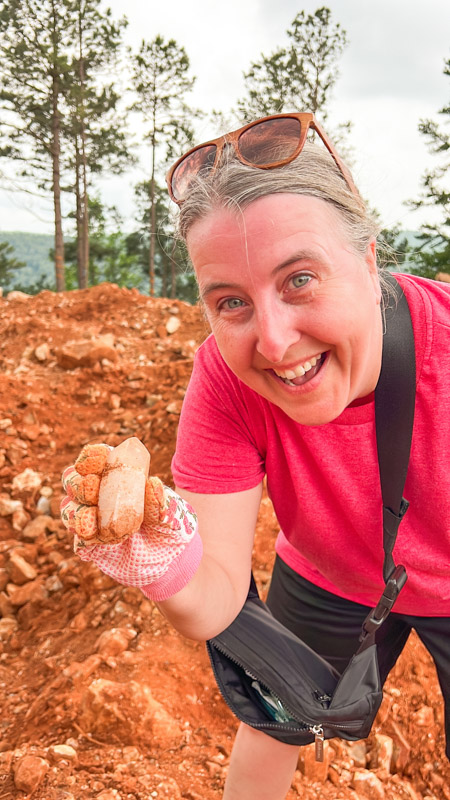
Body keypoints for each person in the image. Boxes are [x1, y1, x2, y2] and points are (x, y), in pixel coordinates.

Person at [61, 113, 450, 800]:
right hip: (329, 568)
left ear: (367, 258)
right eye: (231, 302)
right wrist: (169, 570)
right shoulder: (223, 379)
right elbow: (215, 598)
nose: (273, 343)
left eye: (300, 279)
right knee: (274, 725)